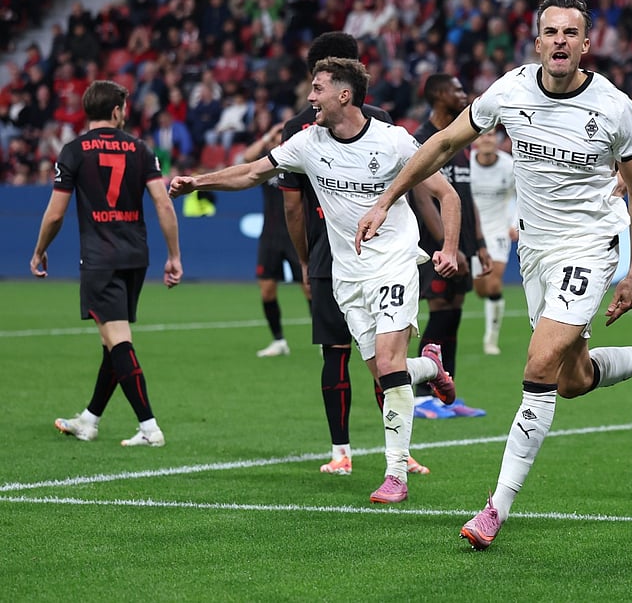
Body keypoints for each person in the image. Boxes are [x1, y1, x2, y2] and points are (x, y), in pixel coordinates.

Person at [356, 0, 632, 550]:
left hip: (589, 246)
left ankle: (495, 507)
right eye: (552, 32)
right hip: (536, 251)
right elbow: (444, 142)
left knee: (539, 363)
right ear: (538, 41)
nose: (561, 41)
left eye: (572, 33)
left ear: (586, 44)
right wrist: (385, 199)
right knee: (571, 380)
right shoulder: (510, 90)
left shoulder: (614, 107)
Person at [169, 57, 460, 505]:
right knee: (387, 373)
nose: (310, 97)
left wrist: (450, 247)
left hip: (396, 263)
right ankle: (431, 367)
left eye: (318, 88)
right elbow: (251, 172)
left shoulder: (393, 140)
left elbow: (447, 194)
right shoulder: (308, 143)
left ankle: (396, 474)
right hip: (348, 275)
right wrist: (198, 182)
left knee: (387, 365)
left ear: (344, 95)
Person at [277, 32, 433, 476]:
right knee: (366, 357)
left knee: (356, 355)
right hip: (339, 251)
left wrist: (305, 258)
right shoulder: (316, 129)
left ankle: (348, 451)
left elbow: (293, 205)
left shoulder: (366, 125)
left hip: (345, 251)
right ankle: (374, 449)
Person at [33, 79, 183, 448]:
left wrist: (40, 250)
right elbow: (163, 203)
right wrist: (174, 255)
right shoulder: (141, 149)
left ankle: (149, 427)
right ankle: (89, 419)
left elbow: (55, 214)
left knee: (118, 341)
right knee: (111, 342)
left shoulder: (73, 150)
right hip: (136, 256)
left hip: (100, 258)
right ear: (116, 111)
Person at [408, 73, 491, 420]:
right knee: (440, 311)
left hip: (463, 243)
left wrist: (480, 243)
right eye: (457, 90)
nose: (463, 94)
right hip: (436, 245)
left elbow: (466, 196)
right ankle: (421, 394)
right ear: (439, 95)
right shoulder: (422, 141)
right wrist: (447, 243)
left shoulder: (459, 140)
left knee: (454, 313)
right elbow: (421, 196)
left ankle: (447, 394)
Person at [240, 120, 305, 358]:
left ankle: (323, 339)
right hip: (270, 236)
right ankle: (279, 341)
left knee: (309, 289)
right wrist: (268, 135)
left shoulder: (298, 160)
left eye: (282, 132)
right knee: (267, 290)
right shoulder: (268, 162)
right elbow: (246, 158)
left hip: (295, 233)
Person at [469, 130, 516, 356]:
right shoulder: (466, 164)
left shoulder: (509, 166)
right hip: (473, 232)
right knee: (481, 290)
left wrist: (514, 222)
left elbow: (523, 195)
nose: (486, 139)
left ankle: (491, 339)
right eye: (482, 136)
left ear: (497, 139)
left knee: (494, 284)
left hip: (498, 230)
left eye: (491, 135)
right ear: (475, 140)